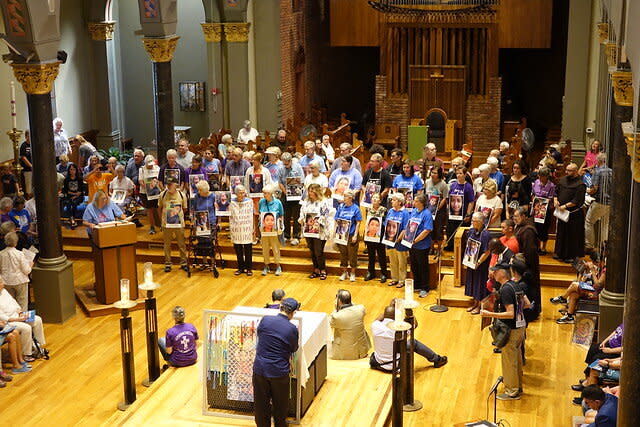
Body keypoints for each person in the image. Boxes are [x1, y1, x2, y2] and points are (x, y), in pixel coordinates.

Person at [481, 262, 528, 400]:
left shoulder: (506, 289)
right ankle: (517, 387)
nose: (493, 274)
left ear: (502, 273)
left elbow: (510, 313)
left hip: (511, 329)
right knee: (516, 359)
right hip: (520, 327)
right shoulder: (516, 285)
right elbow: (527, 303)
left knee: (509, 361)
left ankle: (512, 391)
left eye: (495, 271)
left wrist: (490, 314)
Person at [253, 297, 300, 427]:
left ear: (280, 307)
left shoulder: (265, 320)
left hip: (260, 369)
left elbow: (260, 334)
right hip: (279, 372)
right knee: (280, 405)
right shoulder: (292, 329)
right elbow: (294, 348)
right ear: (293, 312)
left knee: (261, 404)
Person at [370, 304, 447, 372]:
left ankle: (437, 359)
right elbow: (414, 325)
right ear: (396, 317)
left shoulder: (375, 325)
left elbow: (380, 317)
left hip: (378, 364)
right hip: (396, 365)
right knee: (413, 342)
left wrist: (390, 307)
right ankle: (437, 359)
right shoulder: (399, 329)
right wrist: (409, 313)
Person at [0, 277, 45, 361]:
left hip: (18, 316)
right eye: (0, 283)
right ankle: (27, 354)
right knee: (26, 328)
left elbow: (14, 303)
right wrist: (19, 320)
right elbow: (3, 317)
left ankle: (38, 347)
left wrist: (21, 313)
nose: (2, 284)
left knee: (37, 319)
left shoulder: (4, 291)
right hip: (9, 322)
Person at [397, 194, 433, 298]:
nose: (413, 202)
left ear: (421, 203)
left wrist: (415, 240)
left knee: (423, 267)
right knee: (414, 266)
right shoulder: (413, 211)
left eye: (416, 201)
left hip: (422, 245)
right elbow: (408, 226)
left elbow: (427, 230)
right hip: (411, 244)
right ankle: (417, 285)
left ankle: (425, 288)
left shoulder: (427, 214)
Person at [299, 183, 334, 280]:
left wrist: (319, 220)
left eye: (312, 191)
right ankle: (316, 269)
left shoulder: (324, 202)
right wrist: (301, 218)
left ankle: (323, 269)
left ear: (317, 192)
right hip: (308, 230)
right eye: (309, 191)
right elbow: (302, 212)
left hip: (320, 231)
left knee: (319, 251)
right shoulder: (306, 202)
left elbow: (326, 214)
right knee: (312, 250)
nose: (310, 193)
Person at [554, 163, 586, 263]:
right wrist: (556, 201)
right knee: (561, 232)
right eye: (566, 170)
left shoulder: (580, 184)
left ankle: (571, 256)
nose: (566, 172)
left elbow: (577, 200)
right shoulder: (562, 180)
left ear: (575, 171)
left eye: (569, 171)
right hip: (562, 213)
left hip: (573, 214)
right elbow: (556, 192)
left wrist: (565, 206)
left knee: (572, 235)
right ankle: (560, 253)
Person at [513, 208, 541, 320]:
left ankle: (531, 313)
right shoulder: (521, 227)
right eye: (513, 217)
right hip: (522, 264)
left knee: (529, 289)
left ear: (524, 216)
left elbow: (530, 251)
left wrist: (524, 267)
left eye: (517, 216)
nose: (515, 219)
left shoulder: (528, 230)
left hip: (528, 266)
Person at [329, 290, 371, 360]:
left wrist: (336, 308)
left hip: (346, 352)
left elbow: (330, 323)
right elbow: (353, 306)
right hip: (362, 348)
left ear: (339, 301)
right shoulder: (361, 308)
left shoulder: (337, 316)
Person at [464, 212, 491, 313]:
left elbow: (487, 251)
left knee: (480, 284)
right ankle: (475, 303)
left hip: (481, 264)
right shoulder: (471, 231)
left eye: (474, 221)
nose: (472, 223)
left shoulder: (486, 234)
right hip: (472, 262)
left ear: (480, 222)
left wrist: (478, 262)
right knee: (473, 283)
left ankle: (479, 306)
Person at [158, 182, 188, 272]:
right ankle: (167, 263)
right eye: (168, 184)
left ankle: (183, 263)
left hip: (179, 224)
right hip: (166, 224)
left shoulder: (182, 195)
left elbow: (185, 208)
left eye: (171, 184)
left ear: (176, 185)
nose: (169, 186)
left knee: (182, 244)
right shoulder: (162, 195)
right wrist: (162, 220)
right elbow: (159, 208)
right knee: (167, 245)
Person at [585, 153, 611, 253]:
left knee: (589, 221)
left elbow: (594, 189)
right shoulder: (611, 171)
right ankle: (603, 245)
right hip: (609, 202)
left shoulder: (598, 171)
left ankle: (589, 245)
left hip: (600, 201)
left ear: (598, 161)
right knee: (605, 224)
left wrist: (586, 190)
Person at [0, 232, 33, 311]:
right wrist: (30, 264)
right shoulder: (20, 254)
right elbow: (27, 270)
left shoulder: (1, 254)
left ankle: (14, 321)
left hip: (6, 281)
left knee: (10, 304)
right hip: (20, 281)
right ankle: (23, 322)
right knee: (22, 304)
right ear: (16, 242)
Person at [334, 189, 362, 281]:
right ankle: (344, 272)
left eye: (345, 196)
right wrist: (335, 232)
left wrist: (355, 235)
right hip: (341, 234)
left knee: (352, 254)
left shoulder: (355, 208)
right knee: (343, 254)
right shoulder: (340, 207)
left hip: (351, 234)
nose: (344, 198)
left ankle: (353, 273)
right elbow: (336, 219)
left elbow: (358, 222)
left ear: (350, 198)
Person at [278, 152, 305, 245]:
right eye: (284, 163)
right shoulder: (281, 168)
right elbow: (280, 182)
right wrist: (285, 191)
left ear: (290, 161)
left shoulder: (297, 167)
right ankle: (286, 235)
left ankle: (297, 236)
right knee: (286, 215)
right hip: (285, 194)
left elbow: (302, 181)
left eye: (287, 163)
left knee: (296, 216)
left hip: (296, 195)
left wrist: (296, 186)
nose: (285, 165)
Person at [384, 192, 410, 288]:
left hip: (400, 242)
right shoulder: (390, 211)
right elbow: (386, 224)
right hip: (390, 241)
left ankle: (402, 280)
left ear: (399, 202)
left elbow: (405, 228)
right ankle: (394, 278)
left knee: (401, 262)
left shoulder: (405, 213)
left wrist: (398, 238)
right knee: (392, 261)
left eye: (394, 200)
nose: (392, 201)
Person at [446, 166, 475, 250]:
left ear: (465, 174)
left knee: (460, 232)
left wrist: (468, 214)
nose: (458, 175)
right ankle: (451, 246)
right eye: (457, 173)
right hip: (452, 213)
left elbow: (471, 201)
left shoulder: (468, 187)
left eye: (460, 173)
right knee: (450, 230)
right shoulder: (453, 185)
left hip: (462, 214)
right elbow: (449, 197)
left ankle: (460, 249)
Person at [259, 184, 284, 276]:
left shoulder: (278, 202)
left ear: (270, 194)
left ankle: (278, 266)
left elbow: (281, 215)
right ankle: (266, 266)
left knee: (275, 248)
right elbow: (260, 214)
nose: (264, 195)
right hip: (264, 229)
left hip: (274, 229)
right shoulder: (261, 202)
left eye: (265, 193)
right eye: (263, 193)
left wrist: (281, 226)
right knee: (265, 248)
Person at [230, 185, 254, 275]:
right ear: (236, 193)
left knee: (248, 249)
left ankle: (249, 268)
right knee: (238, 249)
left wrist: (253, 228)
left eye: (244, 192)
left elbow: (251, 215)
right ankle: (240, 268)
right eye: (240, 193)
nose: (243, 194)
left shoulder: (249, 202)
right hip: (236, 228)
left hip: (246, 227)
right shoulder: (232, 202)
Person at [531, 167, 556, 254]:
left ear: (546, 176)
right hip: (537, 209)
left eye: (542, 176)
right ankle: (537, 246)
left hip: (546, 210)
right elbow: (533, 194)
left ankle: (543, 247)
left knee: (544, 229)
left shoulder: (551, 186)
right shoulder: (536, 183)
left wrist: (544, 202)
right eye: (539, 176)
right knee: (536, 228)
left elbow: (551, 198)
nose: (540, 178)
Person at [365, 193, 388, 283]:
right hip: (370, 236)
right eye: (373, 197)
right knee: (371, 255)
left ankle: (383, 273)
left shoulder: (384, 210)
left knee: (381, 255)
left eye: (376, 198)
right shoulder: (368, 208)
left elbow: (386, 222)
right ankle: (371, 272)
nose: (374, 199)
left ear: (380, 200)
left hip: (380, 235)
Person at [139, 155, 161, 234]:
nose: (151, 166)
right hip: (145, 193)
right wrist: (147, 187)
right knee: (150, 210)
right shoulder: (141, 169)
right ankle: (152, 227)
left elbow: (159, 179)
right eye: (149, 164)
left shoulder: (157, 168)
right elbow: (140, 181)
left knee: (158, 208)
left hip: (156, 192)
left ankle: (162, 225)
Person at [61, 164, 85, 229]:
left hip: (79, 196)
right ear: (69, 170)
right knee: (69, 203)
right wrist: (72, 195)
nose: (72, 171)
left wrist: (75, 196)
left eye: (73, 169)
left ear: (76, 170)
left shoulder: (79, 178)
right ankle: (72, 219)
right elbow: (66, 190)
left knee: (74, 203)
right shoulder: (66, 179)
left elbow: (81, 191)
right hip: (70, 196)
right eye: (71, 169)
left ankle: (72, 219)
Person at [19, 130, 32, 196]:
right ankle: (29, 198)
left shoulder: (33, 144)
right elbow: (23, 157)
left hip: (35, 169)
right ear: (26, 136)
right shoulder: (23, 145)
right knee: (29, 186)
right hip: (27, 170)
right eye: (29, 136)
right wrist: (31, 166)